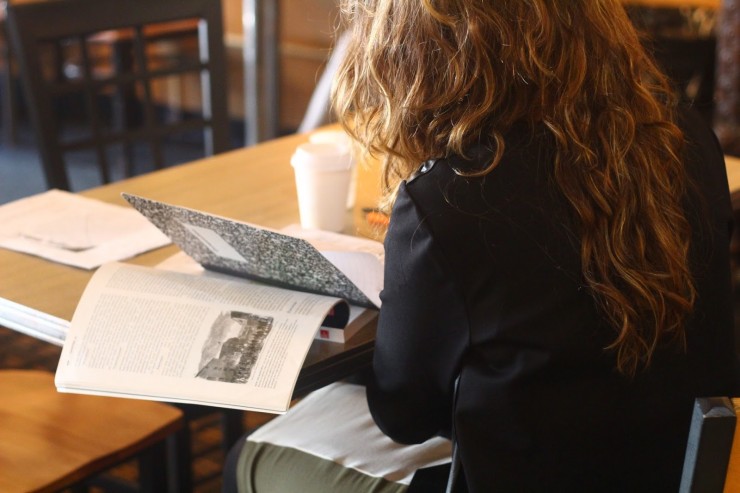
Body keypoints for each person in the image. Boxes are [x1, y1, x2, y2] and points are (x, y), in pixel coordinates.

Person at [223, 1, 739, 491]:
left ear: (419, 46)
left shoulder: (450, 198)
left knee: (252, 455)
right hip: (671, 469)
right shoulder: (686, 136)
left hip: (523, 477)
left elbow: (404, 416)